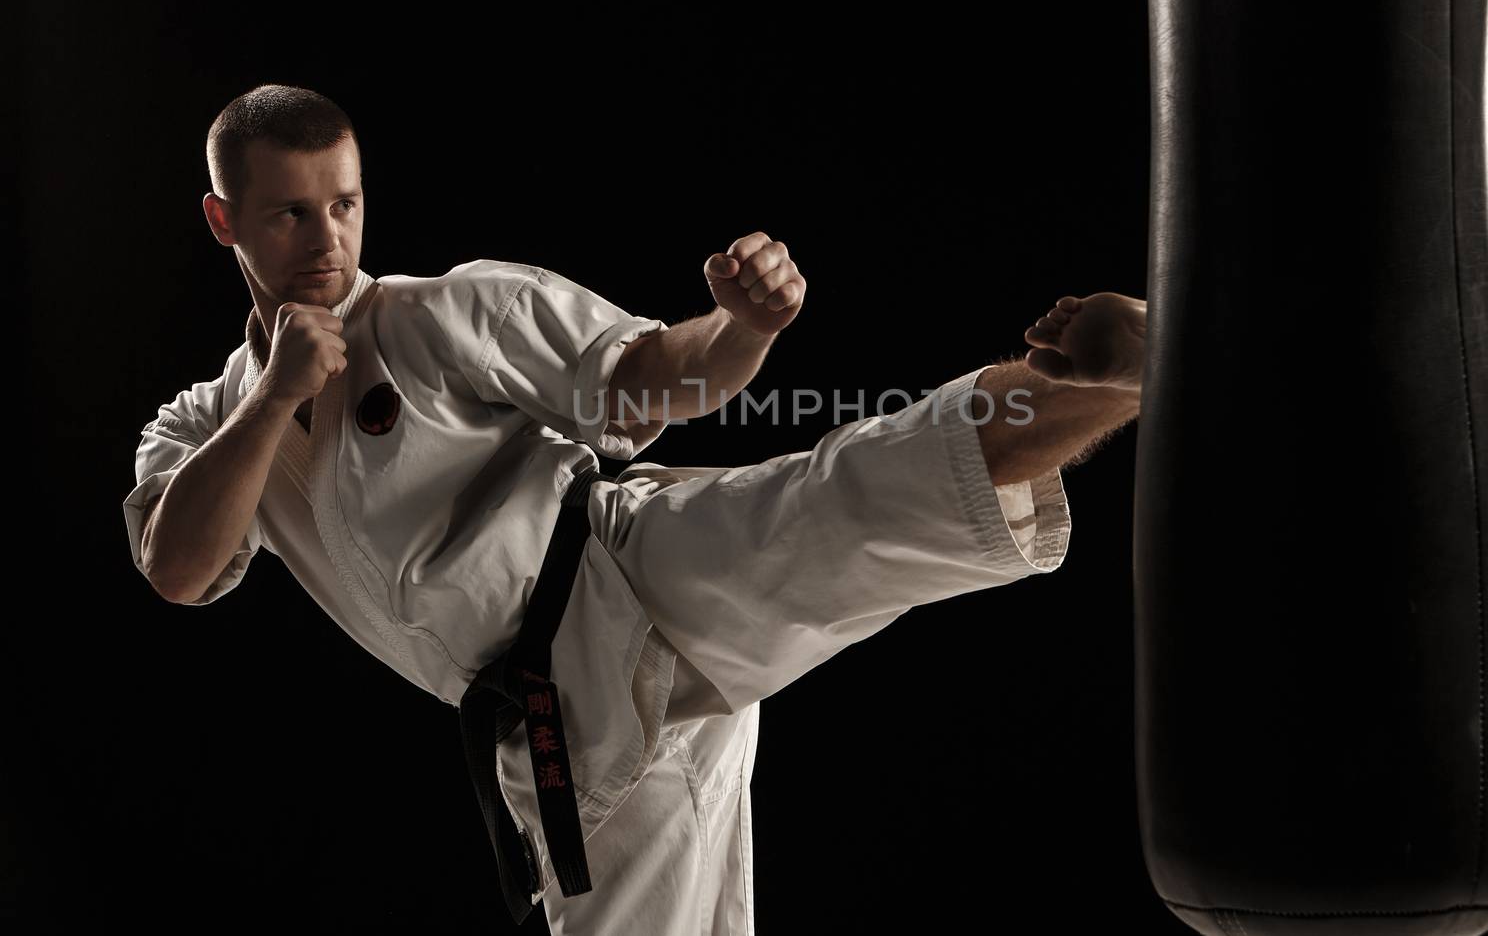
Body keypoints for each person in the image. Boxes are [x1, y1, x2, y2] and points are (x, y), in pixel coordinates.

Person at [122, 84, 1146, 935]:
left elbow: (646, 379)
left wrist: (740, 329)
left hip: (624, 566)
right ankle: (1131, 378)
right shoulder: (204, 424)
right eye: (289, 213)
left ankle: (1134, 374)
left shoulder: (436, 314)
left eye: (343, 204)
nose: (327, 237)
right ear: (223, 220)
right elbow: (178, 565)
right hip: (555, 720)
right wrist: (271, 396)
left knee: (856, 492)